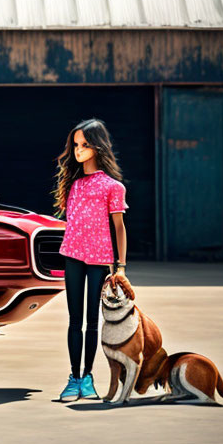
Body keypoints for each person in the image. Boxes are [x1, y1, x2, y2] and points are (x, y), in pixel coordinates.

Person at [53, 118, 136, 402]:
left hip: (100, 260)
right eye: (75, 145)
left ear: (97, 146)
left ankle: (87, 378)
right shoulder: (73, 185)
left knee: (92, 321)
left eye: (85, 144)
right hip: (73, 256)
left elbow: (119, 228)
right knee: (74, 320)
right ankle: (73, 378)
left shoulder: (113, 187)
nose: (78, 150)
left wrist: (120, 267)